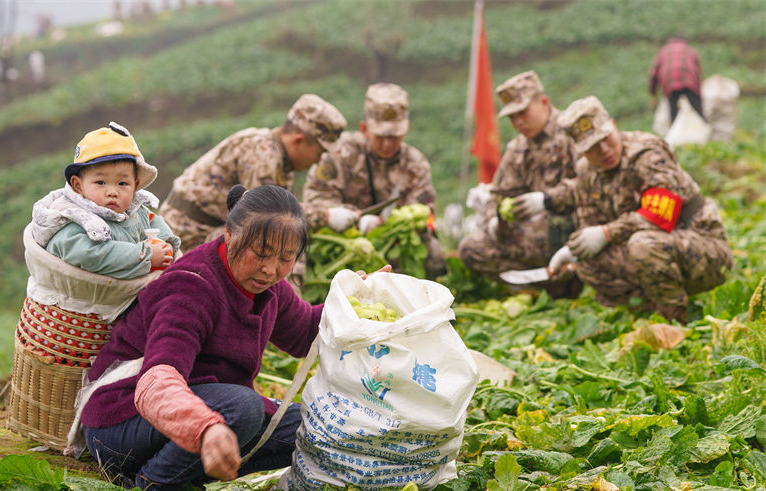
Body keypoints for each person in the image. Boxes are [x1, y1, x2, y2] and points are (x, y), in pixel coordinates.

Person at [79, 184, 389, 491]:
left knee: (313, 427)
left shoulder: (270, 287)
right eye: (261, 253)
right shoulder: (192, 285)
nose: (271, 269)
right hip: (120, 421)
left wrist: (353, 300)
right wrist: (206, 427)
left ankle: (183, 475)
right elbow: (157, 382)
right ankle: (150, 487)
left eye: (286, 258)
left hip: (200, 408)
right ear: (229, 234)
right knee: (243, 409)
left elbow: (302, 335)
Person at [547, 96, 732, 323]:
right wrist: (574, 251)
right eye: (593, 147)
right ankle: (647, 310)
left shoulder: (647, 153)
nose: (604, 150)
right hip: (655, 251)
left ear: (613, 126)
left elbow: (660, 214)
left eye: (605, 138)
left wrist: (606, 233)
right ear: (581, 151)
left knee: (643, 245)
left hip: (705, 250)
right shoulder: (588, 171)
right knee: (588, 260)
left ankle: (677, 321)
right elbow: (590, 223)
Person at [159, 94, 347, 252]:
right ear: (298, 140)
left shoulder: (278, 157)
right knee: (278, 241)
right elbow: (271, 216)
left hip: (205, 229)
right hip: (187, 236)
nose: (317, 161)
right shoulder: (263, 156)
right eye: (319, 152)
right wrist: (326, 216)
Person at [457, 71, 581, 297]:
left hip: (572, 231)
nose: (518, 122)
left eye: (523, 113)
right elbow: (498, 193)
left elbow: (593, 185)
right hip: (531, 238)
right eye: (512, 117)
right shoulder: (517, 148)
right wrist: (494, 220)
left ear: (544, 103)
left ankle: (569, 282)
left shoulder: (572, 133)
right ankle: (541, 287)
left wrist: (548, 200)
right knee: (471, 248)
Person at [303, 82, 445, 277]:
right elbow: (316, 197)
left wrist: (385, 225)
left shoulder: (415, 163)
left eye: (394, 137)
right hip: (342, 242)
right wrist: (353, 220)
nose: (387, 144)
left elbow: (426, 215)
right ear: (364, 129)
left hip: (393, 244)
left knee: (434, 253)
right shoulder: (340, 153)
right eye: (380, 136)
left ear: (406, 130)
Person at [31, 122, 179, 279]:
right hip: (78, 300)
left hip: (121, 296)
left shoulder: (134, 209)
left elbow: (152, 222)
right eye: (100, 183)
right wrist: (144, 255)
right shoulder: (72, 218)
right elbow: (88, 255)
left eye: (122, 184)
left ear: (135, 186)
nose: (112, 192)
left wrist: (164, 244)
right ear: (78, 185)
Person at [649, 36, 704, 122]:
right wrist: (699, 93)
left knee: (673, 110)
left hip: (669, 83)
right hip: (689, 81)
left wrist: (653, 94)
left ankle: (674, 129)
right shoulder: (690, 49)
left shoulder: (664, 50)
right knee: (697, 109)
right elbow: (698, 71)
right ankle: (703, 127)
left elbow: (654, 73)